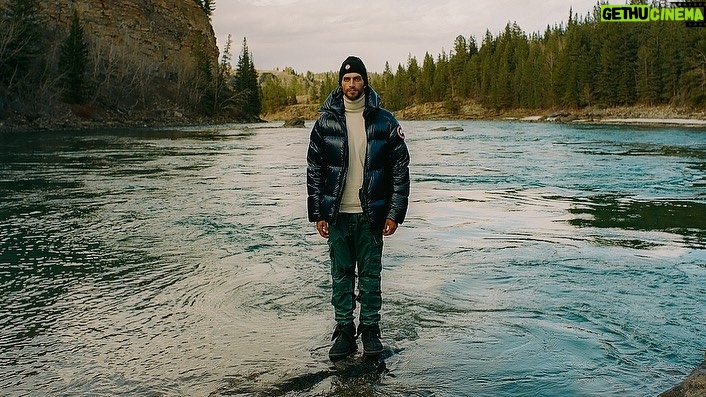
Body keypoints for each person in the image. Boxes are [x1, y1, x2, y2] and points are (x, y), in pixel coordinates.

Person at [306, 56, 410, 360]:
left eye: (357, 79)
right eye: (347, 79)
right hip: (337, 213)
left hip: (371, 214)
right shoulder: (325, 122)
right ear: (340, 83)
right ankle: (343, 331)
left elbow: (400, 168)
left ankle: (370, 330)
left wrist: (394, 213)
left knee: (369, 275)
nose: (352, 85)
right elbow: (314, 168)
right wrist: (318, 212)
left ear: (365, 81)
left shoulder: (385, 120)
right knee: (340, 275)